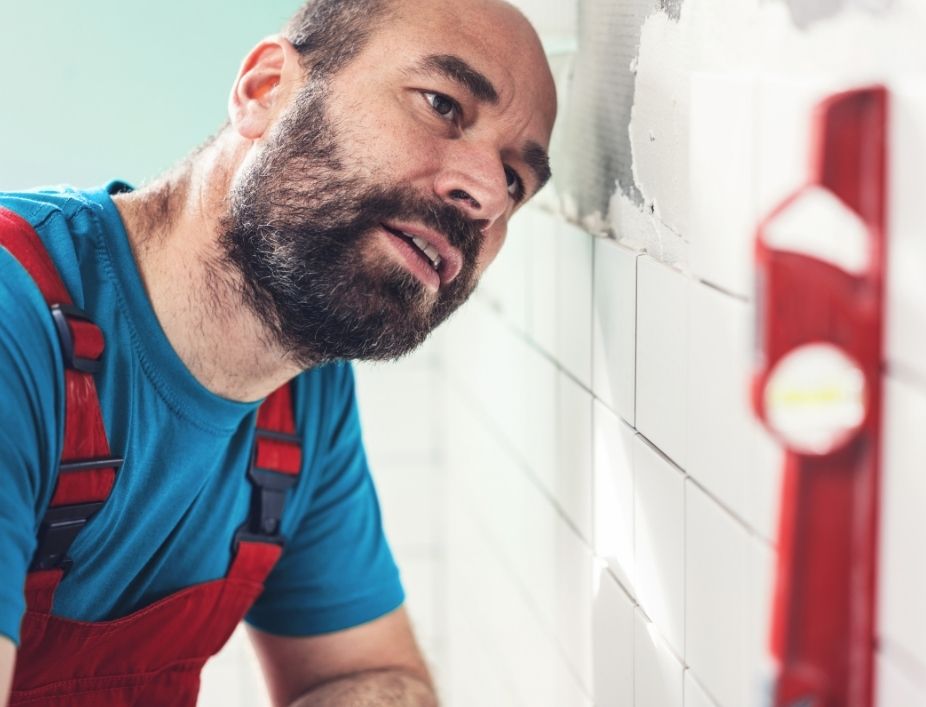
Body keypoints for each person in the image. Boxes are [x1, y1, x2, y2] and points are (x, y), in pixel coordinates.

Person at [0, 0, 556, 703]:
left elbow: (366, 675)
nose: (485, 194)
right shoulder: (15, 319)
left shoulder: (302, 398)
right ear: (265, 90)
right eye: (441, 104)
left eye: (516, 180)